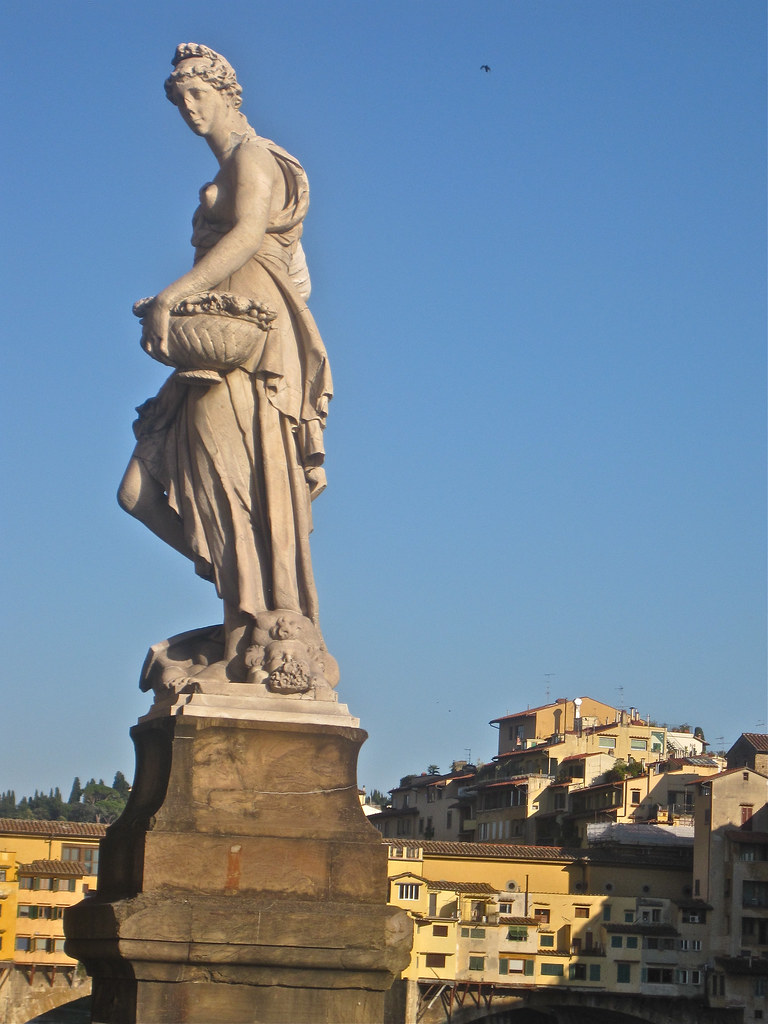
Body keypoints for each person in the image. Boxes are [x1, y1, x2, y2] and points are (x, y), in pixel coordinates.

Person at [118, 44, 331, 683]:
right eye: (176, 98)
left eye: (196, 94)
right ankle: (242, 596)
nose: (187, 108)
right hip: (216, 335)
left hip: (249, 342)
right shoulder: (228, 164)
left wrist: (173, 295)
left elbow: (246, 233)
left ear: (226, 93)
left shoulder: (255, 156)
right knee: (137, 493)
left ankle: (260, 621)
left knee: (247, 483)